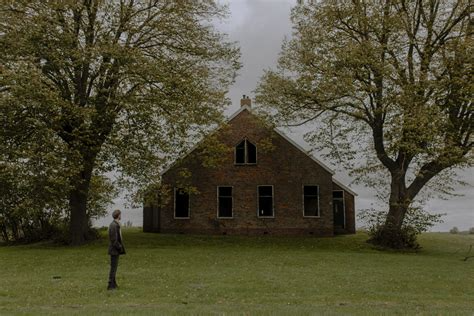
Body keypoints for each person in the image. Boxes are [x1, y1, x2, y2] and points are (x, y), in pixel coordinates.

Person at [108, 209, 125, 290]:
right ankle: (110, 284)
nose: (121, 216)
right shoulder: (113, 225)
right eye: (120, 215)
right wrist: (120, 247)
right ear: (118, 215)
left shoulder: (116, 224)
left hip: (115, 250)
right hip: (114, 250)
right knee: (113, 268)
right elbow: (114, 240)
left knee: (114, 267)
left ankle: (114, 283)